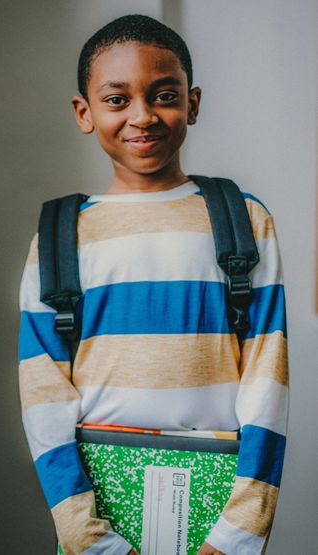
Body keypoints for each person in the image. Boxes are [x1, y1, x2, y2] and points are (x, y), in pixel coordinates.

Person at [18, 13, 289, 555]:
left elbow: (267, 379)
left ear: (192, 102)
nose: (142, 116)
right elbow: (42, 394)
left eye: (164, 95)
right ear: (84, 112)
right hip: (98, 515)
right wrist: (86, 536)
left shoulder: (242, 219)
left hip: (218, 509)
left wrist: (238, 533)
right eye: (117, 100)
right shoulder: (60, 236)